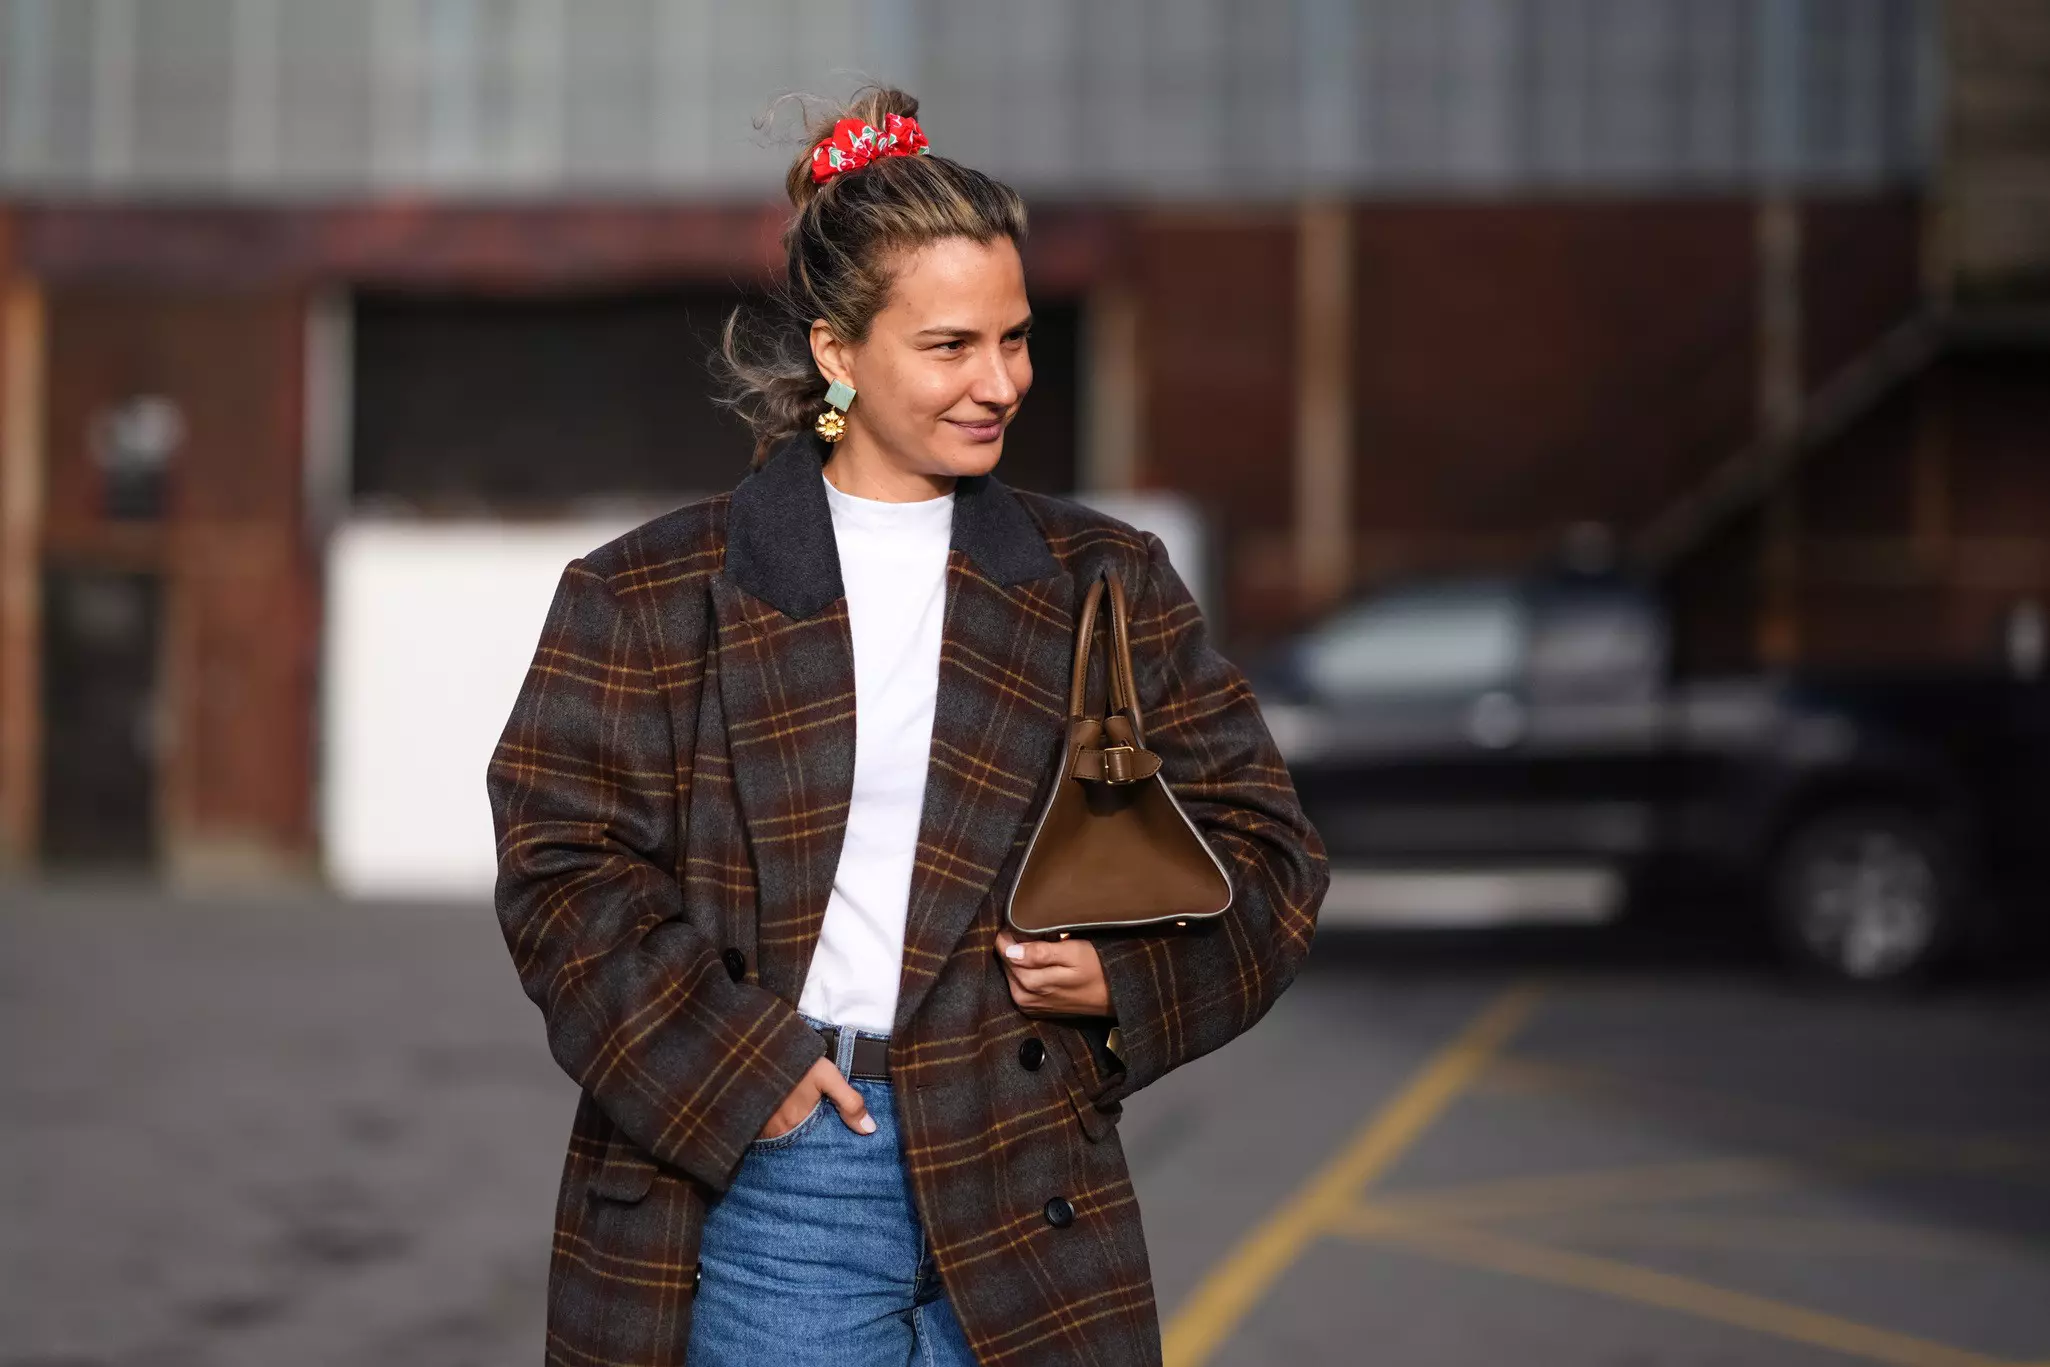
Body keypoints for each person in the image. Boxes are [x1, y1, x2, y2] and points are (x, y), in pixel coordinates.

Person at [488, 86, 1328, 1367]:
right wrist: (746, 1070)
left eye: (1017, 338)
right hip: (781, 1172)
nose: (1000, 383)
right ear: (836, 352)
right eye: (949, 347)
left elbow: (1271, 855)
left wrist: (1133, 980)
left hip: (1030, 1165)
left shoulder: (1106, 577)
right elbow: (563, 873)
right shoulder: (649, 592)